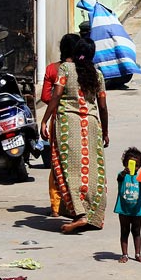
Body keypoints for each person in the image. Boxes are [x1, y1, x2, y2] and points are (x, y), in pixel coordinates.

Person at [41, 37, 109, 233]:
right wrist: (105, 131)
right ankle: (93, 215)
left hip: (68, 125)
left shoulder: (65, 70)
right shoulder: (97, 75)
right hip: (92, 125)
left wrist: (44, 120)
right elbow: (103, 107)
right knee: (94, 171)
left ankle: (80, 215)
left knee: (69, 170)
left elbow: (56, 95)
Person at [41, 33, 82, 217]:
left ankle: (56, 206)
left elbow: (46, 97)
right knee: (80, 162)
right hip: (80, 120)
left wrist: (60, 100)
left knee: (57, 162)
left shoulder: (52, 69)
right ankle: (77, 202)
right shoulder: (84, 69)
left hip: (58, 120)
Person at [114, 146, 141, 263]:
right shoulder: (122, 175)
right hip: (123, 209)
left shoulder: (139, 176)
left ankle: (138, 254)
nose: (134, 167)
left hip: (137, 210)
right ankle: (124, 255)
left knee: (136, 231)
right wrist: (125, 172)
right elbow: (119, 178)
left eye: (137, 165)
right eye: (130, 163)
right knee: (124, 231)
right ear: (125, 163)